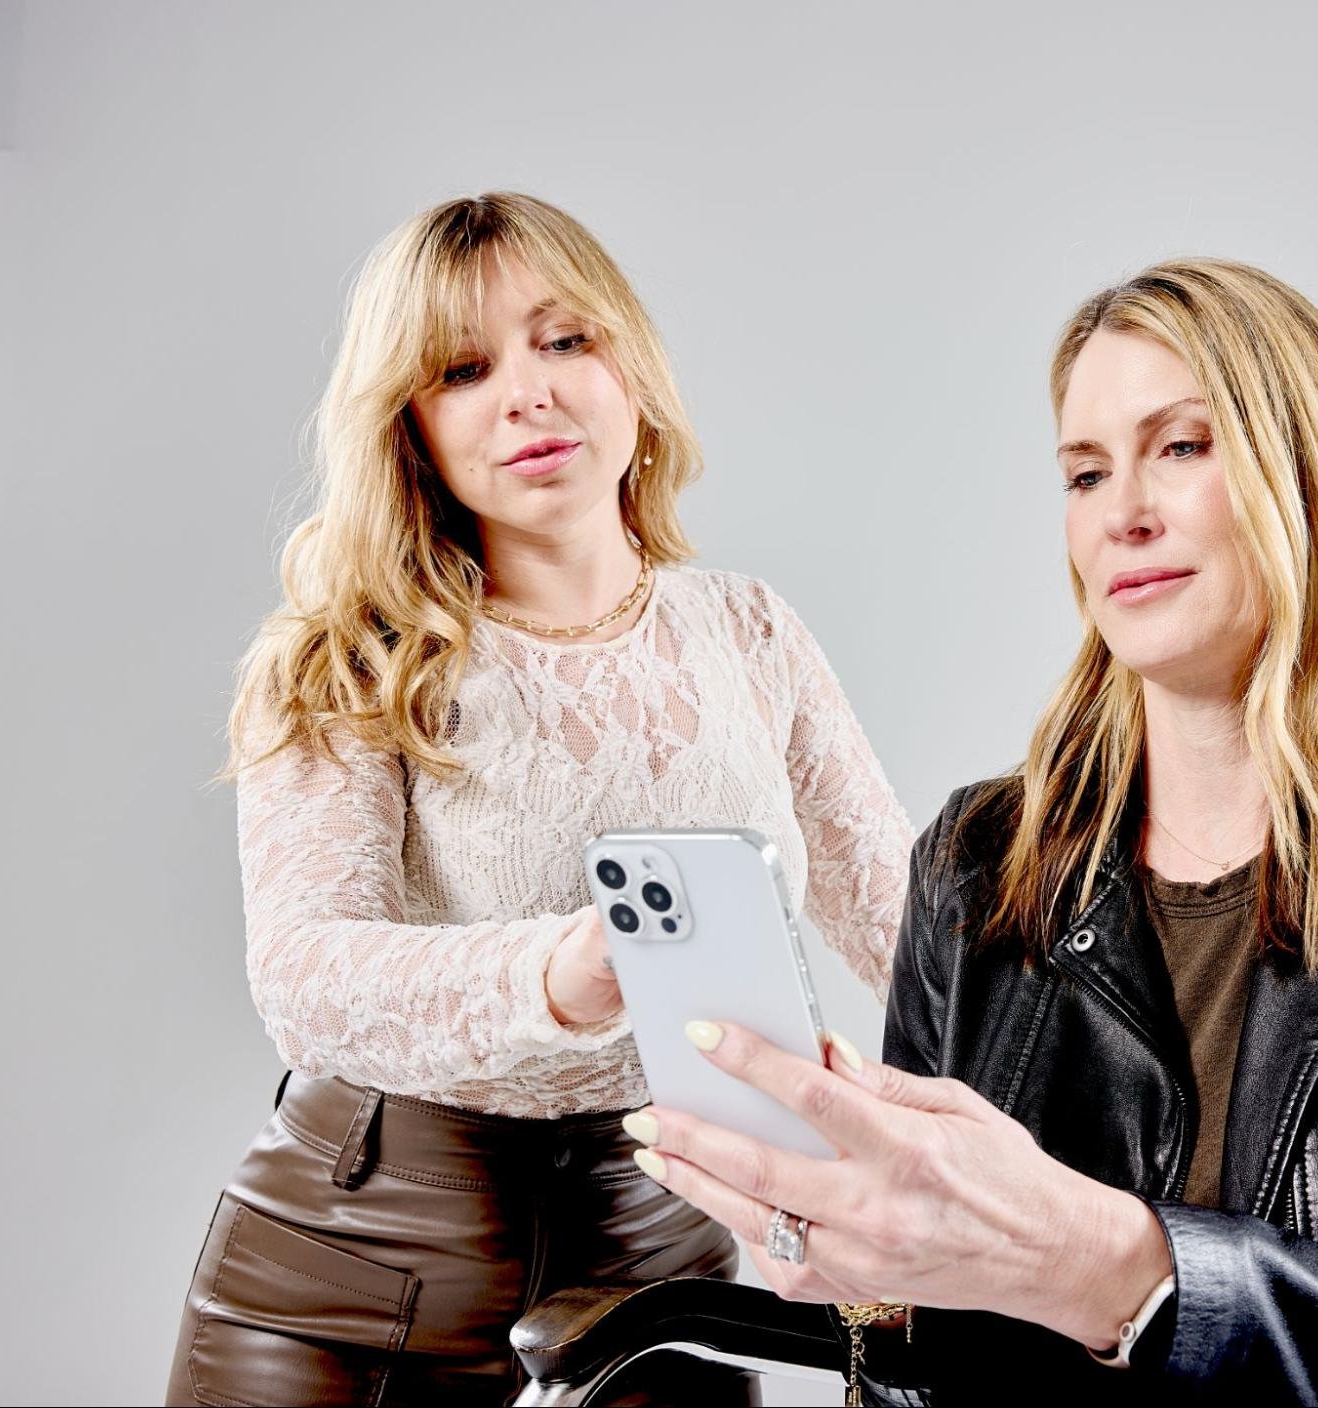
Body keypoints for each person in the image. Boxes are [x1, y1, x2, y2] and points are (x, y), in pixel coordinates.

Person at [623, 258, 1318, 1405]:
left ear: (1313, 476)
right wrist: (865, 1279)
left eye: (1182, 446)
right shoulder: (978, 865)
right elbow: (913, 1364)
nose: (1122, 513)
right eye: (1084, 471)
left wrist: (1110, 1264)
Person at [165, 191, 914, 1406]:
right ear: (409, 425)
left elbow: (903, 922)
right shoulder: (347, 654)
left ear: (630, 368)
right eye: (463, 368)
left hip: (654, 1255)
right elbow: (299, 977)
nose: (529, 391)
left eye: (566, 340)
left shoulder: (751, 631)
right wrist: (558, 974)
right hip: (355, 1270)